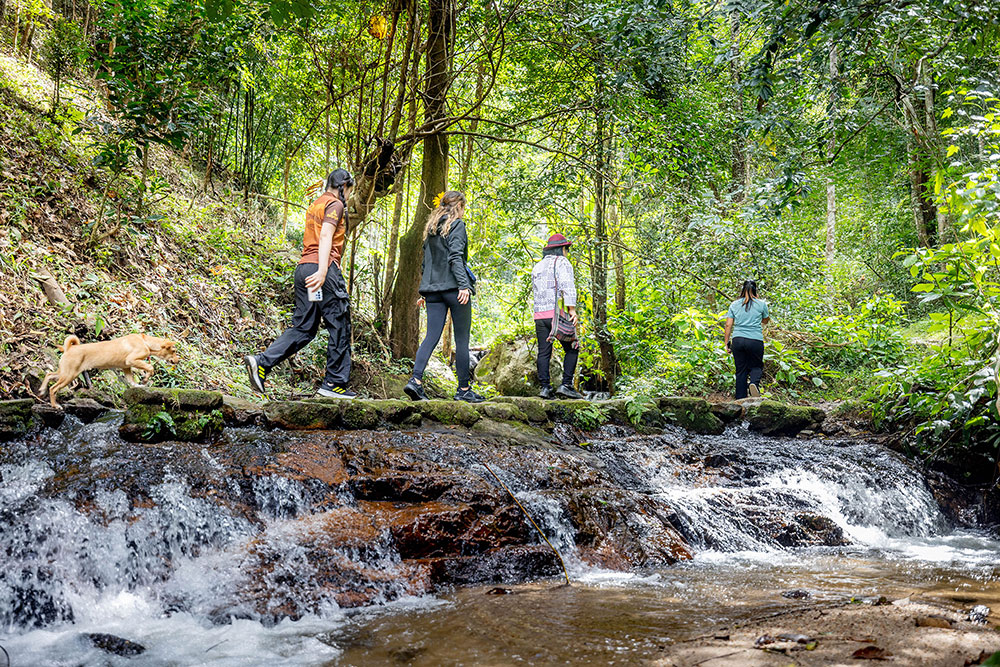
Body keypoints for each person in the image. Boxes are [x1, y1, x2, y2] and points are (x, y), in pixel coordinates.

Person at [244, 169, 356, 398]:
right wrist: (324, 270)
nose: (349, 196)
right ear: (343, 186)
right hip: (321, 270)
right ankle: (334, 385)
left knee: (304, 327)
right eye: (349, 191)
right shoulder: (335, 205)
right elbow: (326, 236)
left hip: (304, 268)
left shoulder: (316, 203)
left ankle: (262, 363)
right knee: (340, 323)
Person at [403, 191, 484, 403]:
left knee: (431, 336)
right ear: (460, 207)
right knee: (462, 340)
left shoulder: (431, 229)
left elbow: (426, 262)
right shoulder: (457, 225)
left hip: (432, 291)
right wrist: (464, 286)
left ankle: (415, 381)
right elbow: (456, 257)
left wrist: (423, 292)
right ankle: (463, 390)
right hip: (454, 289)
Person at [532, 233, 583, 400]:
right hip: (556, 315)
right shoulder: (562, 262)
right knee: (573, 346)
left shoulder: (537, 266)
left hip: (540, 315)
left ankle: (545, 388)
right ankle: (566, 385)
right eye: (566, 249)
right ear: (562, 249)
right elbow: (567, 284)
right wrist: (572, 310)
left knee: (544, 352)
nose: (567, 253)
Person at [723, 279, 770, 399]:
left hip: (738, 340)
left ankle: (740, 400)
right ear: (755, 291)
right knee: (756, 366)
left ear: (742, 290)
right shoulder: (761, 304)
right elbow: (765, 320)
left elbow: (728, 325)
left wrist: (726, 343)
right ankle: (753, 383)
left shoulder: (734, 304)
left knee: (740, 370)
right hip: (755, 340)